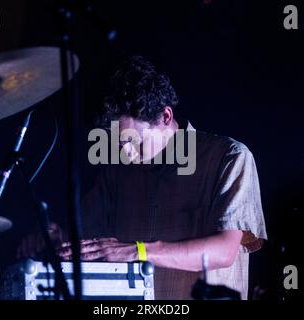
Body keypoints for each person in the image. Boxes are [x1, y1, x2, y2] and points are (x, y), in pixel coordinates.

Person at [17, 56, 267, 300]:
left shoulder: (229, 157)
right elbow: (87, 240)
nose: (126, 152)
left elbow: (224, 251)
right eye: (118, 144)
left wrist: (138, 251)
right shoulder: (117, 174)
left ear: (166, 117)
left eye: (133, 141)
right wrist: (56, 239)